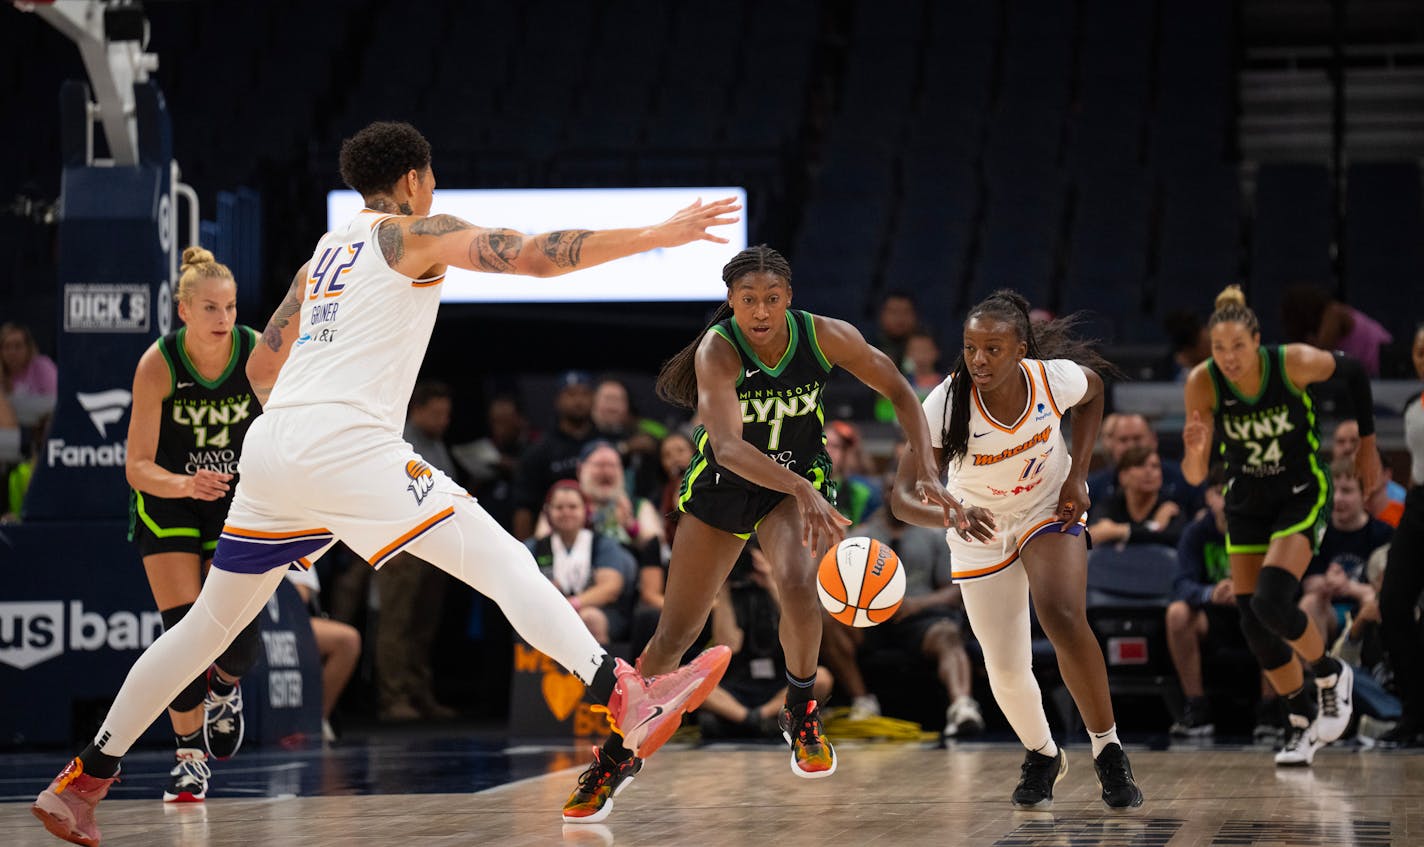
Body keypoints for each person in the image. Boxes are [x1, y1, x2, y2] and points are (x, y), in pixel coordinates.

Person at [31, 121, 737, 847]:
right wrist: (661, 231)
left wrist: (308, 449)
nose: (433, 190)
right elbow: (531, 256)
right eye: (429, 178)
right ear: (410, 182)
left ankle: (83, 779)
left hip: (274, 447)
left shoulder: (324, 254)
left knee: (206, 628)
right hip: (345, 444)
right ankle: (627, 694)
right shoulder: (414, 234)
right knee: (504, 563)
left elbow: (260, 371)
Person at [562, 245, 960, 823]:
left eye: (772, 299)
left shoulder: (825, 335)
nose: (761, 311)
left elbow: (901, 390)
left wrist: (925, 468)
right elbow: (726, 446)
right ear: (731, 302)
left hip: (793, 486)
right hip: (726, 482)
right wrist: (804, 489)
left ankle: (800, 710)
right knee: (675, 634)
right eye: (748, 300)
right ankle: (617, 756)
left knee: (798, 586)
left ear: (790, 299)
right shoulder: (718, 350)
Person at [890, 288, 1145, 811]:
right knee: (1004, 665)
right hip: (976, 527)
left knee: (1062, 612)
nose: (978, 361)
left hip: (1047, 506)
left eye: (992, 349)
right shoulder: (944, 402)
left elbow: (1094, 394)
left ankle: (1108, 749)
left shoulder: (1052, 379)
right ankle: (1042, 752)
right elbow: (900, 498)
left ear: (1021, 349)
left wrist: (1078, 475)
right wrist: (951, 513)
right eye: (969, 348)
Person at [1181, 284, 1382, 767]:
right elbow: (1193, 474)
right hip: (1247, 498)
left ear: (1257, 340)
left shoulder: (1291, 362)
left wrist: (1369, 446)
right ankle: (1298, 720)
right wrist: (1195, 446)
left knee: (1272, 598)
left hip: (1299, 492)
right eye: (1219, 349)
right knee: (1253, 618)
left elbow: (1353, 371)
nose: (1228, 358)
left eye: (1238, 346)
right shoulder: (1202, 383)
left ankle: (1331, 674)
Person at [119, 247, 262, 804]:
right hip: (171, 499)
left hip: (238, 498)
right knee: (183, 633)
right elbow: (137, 466)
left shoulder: (255, 352)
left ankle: (224, 689)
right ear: (184, 311)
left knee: (238, 640)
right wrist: (185, 483)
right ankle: (188, 758)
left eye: (229, 306)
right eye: (209, 307)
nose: (223, 318)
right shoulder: (158, 363)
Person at [822, 469, 984, 738]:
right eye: (889, 490)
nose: (893, 496)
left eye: (903, 492)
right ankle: (863, 701)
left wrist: (914, 605)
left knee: (947, 634)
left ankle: (962, 707)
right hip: (869, 618)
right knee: (828, 620)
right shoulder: (860, 537)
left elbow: (955, 593)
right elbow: (838, 589)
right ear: (884, 495)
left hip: (920, 617)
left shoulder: (936, 534)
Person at [377, 381, 461, 722]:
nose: (443, 421)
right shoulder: (399, 440)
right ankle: (392, 697)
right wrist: (389, 541)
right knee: (396, 624)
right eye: (436, 413)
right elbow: (384, 491)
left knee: (424, 627)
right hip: (404, 545)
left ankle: (419, 693)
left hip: (434, 547)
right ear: (417, 408)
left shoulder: (437, 443)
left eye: (447, 415)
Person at [697, 540, 834, 740]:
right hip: (739, 686)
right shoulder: (727, 597)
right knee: (695, 683)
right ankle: (753, 721)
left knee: (822, 678)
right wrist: (724, 585)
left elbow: (800, 626)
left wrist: (770, 582)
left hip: (779, 685)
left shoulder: (788, 591)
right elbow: (728, 645)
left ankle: (761, 717)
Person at [1165, 465, 1241, 738]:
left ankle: (1272, 711)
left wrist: (1245, 590)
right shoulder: (1196, 533)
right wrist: (1211, 593)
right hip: (1213, 617)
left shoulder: (1257, 529)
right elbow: (1181, 584)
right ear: (1209, 496)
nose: (1229, 500)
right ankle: (1196, 709)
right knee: (1177, 613)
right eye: (1222, 493)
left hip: (1255, 612)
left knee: (1277, 610)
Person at [1378, 323, 1424, 747]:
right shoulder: (1413, 404)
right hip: (1418, 506)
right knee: (1392, 603)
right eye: (1419, 351)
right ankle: (1413, 713)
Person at [528, 481, 636, 645]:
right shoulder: (533, 546)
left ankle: (600, 670)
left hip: (599, 611)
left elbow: (610, 588)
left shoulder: (603, 544)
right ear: (548, 512)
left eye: (573, 507)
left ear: (586, 510)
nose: (566, 513)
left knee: (590, 618)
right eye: (559, 507)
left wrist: (573, 604)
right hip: (547, 610)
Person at [1298, 458, 1392, 644]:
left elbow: (1386, 590)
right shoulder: (1317, 532)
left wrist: (1348, 586)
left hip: (1367, 611)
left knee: (1372, 601)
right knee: (1309, 603)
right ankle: (1315, 671)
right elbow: (1308, 583)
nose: (1338, 498)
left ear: (1364, 495)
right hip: (1329, 612)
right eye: (1333, 491)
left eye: (1347, 491)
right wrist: (1329, 582)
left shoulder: (1384, 533)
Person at [511, 370, 599, 539]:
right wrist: (525, 549)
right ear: (558, 400)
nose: (578, 401)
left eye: (584, 394)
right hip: (550, 538)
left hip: (599, 534)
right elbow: (523, 507)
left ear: (593, 398)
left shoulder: (605, 444)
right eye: (571, 394)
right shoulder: (538, 451)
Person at [283, 562, 361, 742]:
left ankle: (314, 722)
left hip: (285, 620)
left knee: (348, 640)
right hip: (244, 620)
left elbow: (299, 595)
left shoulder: (298, 539)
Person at [1085, 413, 1201, 520]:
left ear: (1153, 440)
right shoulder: (1093, 486)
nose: (1131, 446)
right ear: (1111, 444)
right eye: (1123, 440)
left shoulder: (1185, 477)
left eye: (1137, 438)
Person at [1281, 283, 1393, 377]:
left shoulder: (1334, 313)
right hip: (1368, 375)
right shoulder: (1317, 330)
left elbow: (1320, 354)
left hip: (1387, 365)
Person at [1087, 445, 1188, 548]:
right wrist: (1155, 526)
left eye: (1155, 466)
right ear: (1123, 476)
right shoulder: (1110, 505)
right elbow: (1095, 534)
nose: (1149, 471)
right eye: (1140, 465)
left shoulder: (1170, 508)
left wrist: (1118, 531)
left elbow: (1173, 537)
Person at [0, 321, 58, 446]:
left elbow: (57, 403)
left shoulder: (42, 366)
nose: (12, 352)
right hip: (9, 434)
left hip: (40, 429)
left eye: (17, 346)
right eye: (7, 347)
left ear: (28, 348)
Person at [826, 419, 883, 525]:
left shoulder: (862, 492)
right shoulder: (801, 484)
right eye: (824, 444)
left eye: (836, 446)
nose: (828, 451)